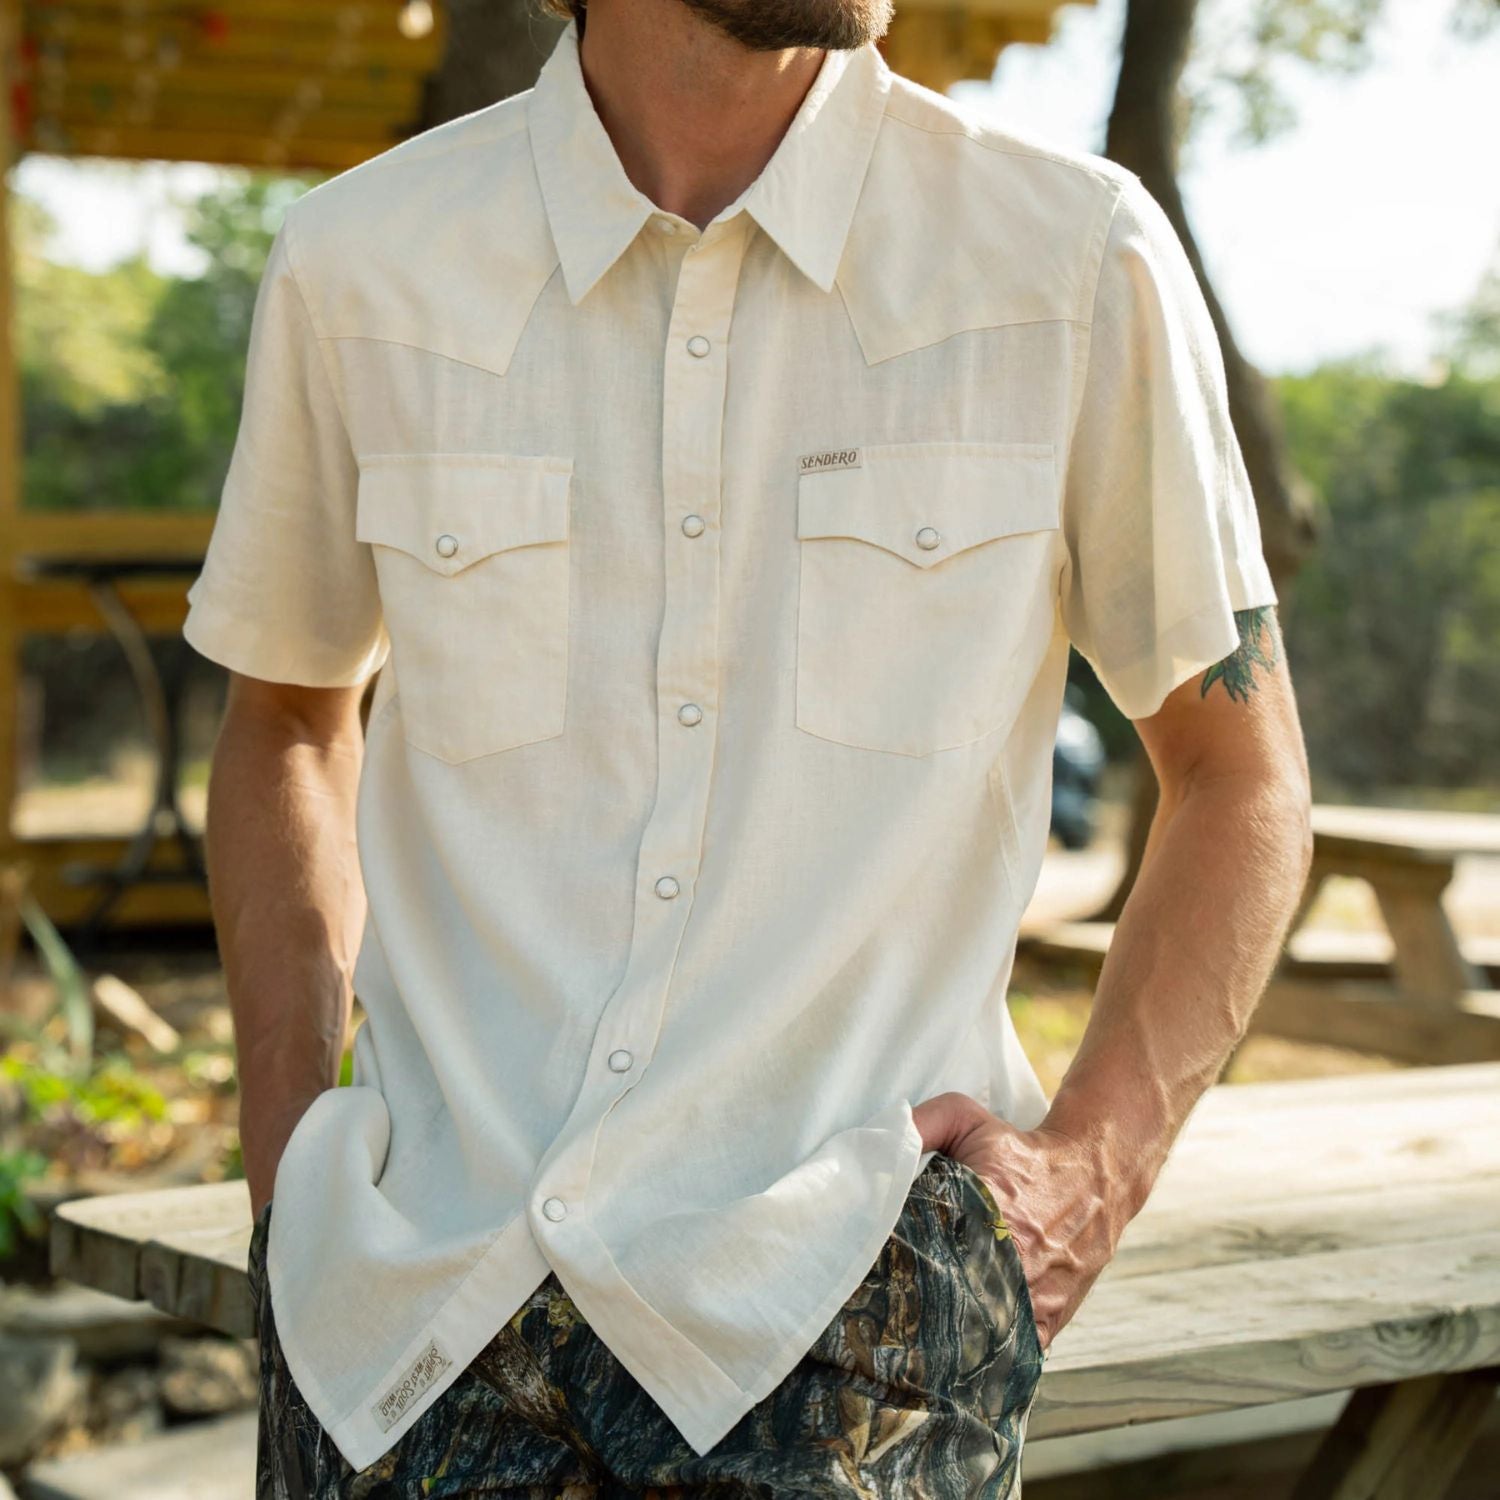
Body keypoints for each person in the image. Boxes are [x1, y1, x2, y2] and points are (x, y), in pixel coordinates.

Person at [184, 0, 1314, 1493]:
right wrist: (292, 1164)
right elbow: (286, 720)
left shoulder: (1071, 255)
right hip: (409, 1313)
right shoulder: (360, 260)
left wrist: (1089, 1174)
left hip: (851, 1303)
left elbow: (1240, 775)